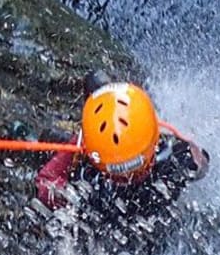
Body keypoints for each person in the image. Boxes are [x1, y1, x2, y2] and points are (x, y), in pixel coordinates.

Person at [35, 74, 209, 227]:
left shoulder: (88, 185)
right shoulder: (175, 159)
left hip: (106, 216)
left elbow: (46, 185)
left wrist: (80, 141)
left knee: (50, 138)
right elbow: (201, 164)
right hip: (144, 223)